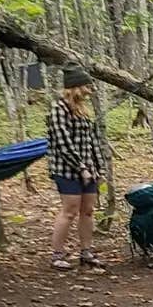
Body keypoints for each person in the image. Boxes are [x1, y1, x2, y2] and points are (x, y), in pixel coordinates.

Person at [46, 67, 110, 270]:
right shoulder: (58, 109)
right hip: (66, 169)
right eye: (85, 85)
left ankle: (86, 252)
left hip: (88, 169)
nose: (89, 90)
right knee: (70, 210)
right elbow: (63, 143)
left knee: (88, 210)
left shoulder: (83, 110)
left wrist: (99, 169)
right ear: (74, 87)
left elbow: (91, 142)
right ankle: (57, 254)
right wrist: (81, 168)